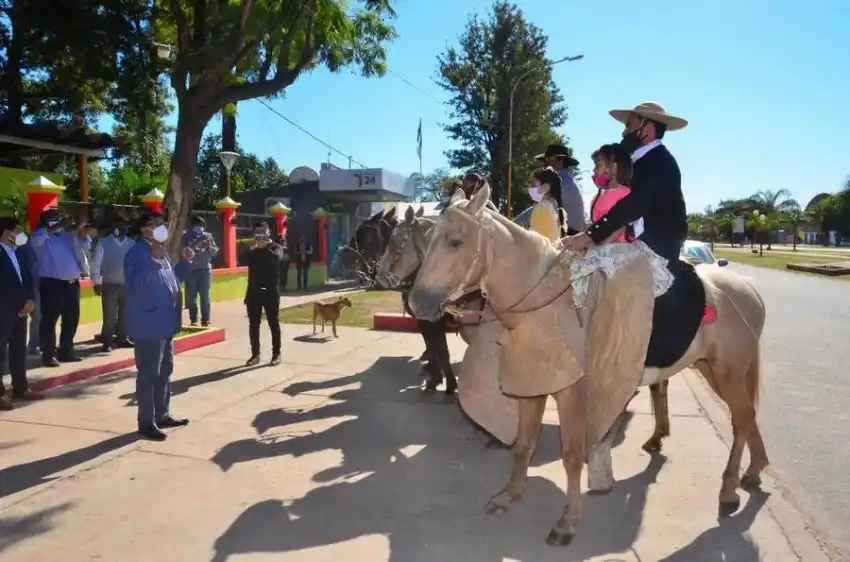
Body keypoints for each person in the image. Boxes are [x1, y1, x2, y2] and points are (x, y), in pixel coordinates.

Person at [562, 101, 697, 368]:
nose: (624, 133)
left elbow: (633, 205)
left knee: (589, 267)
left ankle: (616, 351)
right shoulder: (641, 161)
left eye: (628, 125)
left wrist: (591, 236)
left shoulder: (659, 162)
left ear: (646, 128)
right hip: (639, 241)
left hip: (657, 246)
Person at [124, 212, 193, 441]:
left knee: (165, 372)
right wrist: (153, 261)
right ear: (145, 229)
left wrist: (185, 263)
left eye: (162, 223)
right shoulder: (136, 253)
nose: (162, 227)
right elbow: (136, 286)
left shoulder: (161, 250)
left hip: (166, 322)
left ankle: (162, 414)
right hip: (148, 325)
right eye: (156, 224)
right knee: (149, 375)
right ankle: (146, 423)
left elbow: (171, 282)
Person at [31, 209, 90, 367]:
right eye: (54, 218)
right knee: (50, 320)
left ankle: (66, 351)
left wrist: (80, 230)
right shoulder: (40, 235)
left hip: (72, 284)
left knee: (71, 319)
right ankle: (48, 354)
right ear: (45, 221)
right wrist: (56, 226)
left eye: (60, 217)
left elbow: (86, 245)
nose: (59, 220)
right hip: (52, 284)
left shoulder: (66, 235)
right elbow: (36, 241)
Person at [0, 216, 43, 410]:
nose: (19, 235)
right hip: (4, 308)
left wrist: (30, 300)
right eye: (15, 231)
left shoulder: (19, 253)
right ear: (5, 232)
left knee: (19, 350)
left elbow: (27, 278)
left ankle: (20, 387)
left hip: (22, 308)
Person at [91, 216, 135, 351]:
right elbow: (96, 263)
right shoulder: (103, 242)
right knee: (109, 316)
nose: (122, 228)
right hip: (109, 284)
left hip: (127, 284)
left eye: (124, 226)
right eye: (118, 226)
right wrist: (97, 282)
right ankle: (107, 341)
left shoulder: (131, 243)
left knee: (126, 313)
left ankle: (123, 338)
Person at [243, 222, 283, 366]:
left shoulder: (276, 247)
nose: (260, 234)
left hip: (271, 292)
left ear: (268, 232)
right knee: (254, 325)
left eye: (263, 231)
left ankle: (276, 354)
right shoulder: (253, 250)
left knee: (273, 323)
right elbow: (242, 258)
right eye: (257, 231)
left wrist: (265, 247)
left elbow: (276, 259)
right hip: (254, 292)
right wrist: (254, 248)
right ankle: (255, 354)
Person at [588, 143, 635, 244]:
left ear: (613, 167)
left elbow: (620, 227)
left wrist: (599, 246)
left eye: (598, 165)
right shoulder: (598, 196)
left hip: (617, 249)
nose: (594, 170)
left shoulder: (625, 194)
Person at [535, 144, 586, 235]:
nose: (545, 166)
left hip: (568, 236)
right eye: (545, 162)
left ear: (560, 161)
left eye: (549, 161)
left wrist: (512, 223)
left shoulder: (560, 183)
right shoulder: (568, 181)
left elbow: (537, 207)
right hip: (569, 235)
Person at [181, 215, 219, 326]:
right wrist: (198, 241)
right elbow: (186, 250)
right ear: (192, 226)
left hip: (205, 270)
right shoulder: (186, 236)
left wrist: (209, 247)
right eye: (197, 225)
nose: (200, 227)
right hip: (191, 271)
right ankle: (193, 319)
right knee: (191, 297)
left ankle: (205, 319)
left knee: (205, 297)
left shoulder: (208, 236)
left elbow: (214, 252)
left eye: (201, 225)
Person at [528, 167, 568, 243]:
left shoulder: (544, 207)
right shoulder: (554, 206)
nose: (531, 188)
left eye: (533, 184)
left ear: (545, 187)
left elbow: (537, 240)